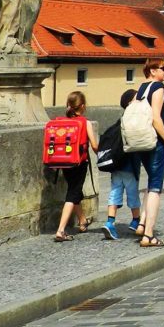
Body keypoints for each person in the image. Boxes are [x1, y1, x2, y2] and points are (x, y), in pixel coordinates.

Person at [134, 58, 164, 248]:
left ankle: (142, 224)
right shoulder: (158, 88)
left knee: (150, 183)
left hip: (141, 143)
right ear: (152, 71)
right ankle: (149, 235)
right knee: (155, 188)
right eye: (163, 68)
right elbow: (156, 118)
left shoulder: (141, 89)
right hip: (156, 142)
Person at [53, 91, 99, 242]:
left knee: (74, 189)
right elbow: (94, 145)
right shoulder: (85, 123)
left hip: (64, 163)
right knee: (72, 194)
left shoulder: (62, 122)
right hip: (79, 163)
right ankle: (61, 230)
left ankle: (82, 221)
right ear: (83, 106)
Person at [101, 89, 142, 241]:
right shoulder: (133, 120)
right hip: (130, 166)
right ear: (131, 103)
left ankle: (110, 222)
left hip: (116, 165)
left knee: (115, 193)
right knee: (133, 194)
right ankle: (136, 220)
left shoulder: (119, 121)